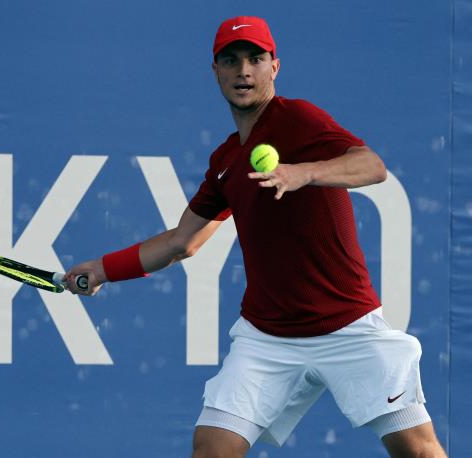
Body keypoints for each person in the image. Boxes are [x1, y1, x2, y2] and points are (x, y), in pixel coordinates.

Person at [64, 15, 447, 458]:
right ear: (216, 71)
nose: (243, 71)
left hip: (348, 325)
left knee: (417, 451)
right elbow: (181, 242)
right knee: (211, 448)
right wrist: (102, 270)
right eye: (231, 61)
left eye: (255, 59)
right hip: (267, 337)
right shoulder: (226, 160)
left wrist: (303, 173)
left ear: (274, 67)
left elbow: (372, 167)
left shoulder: (298, 119)